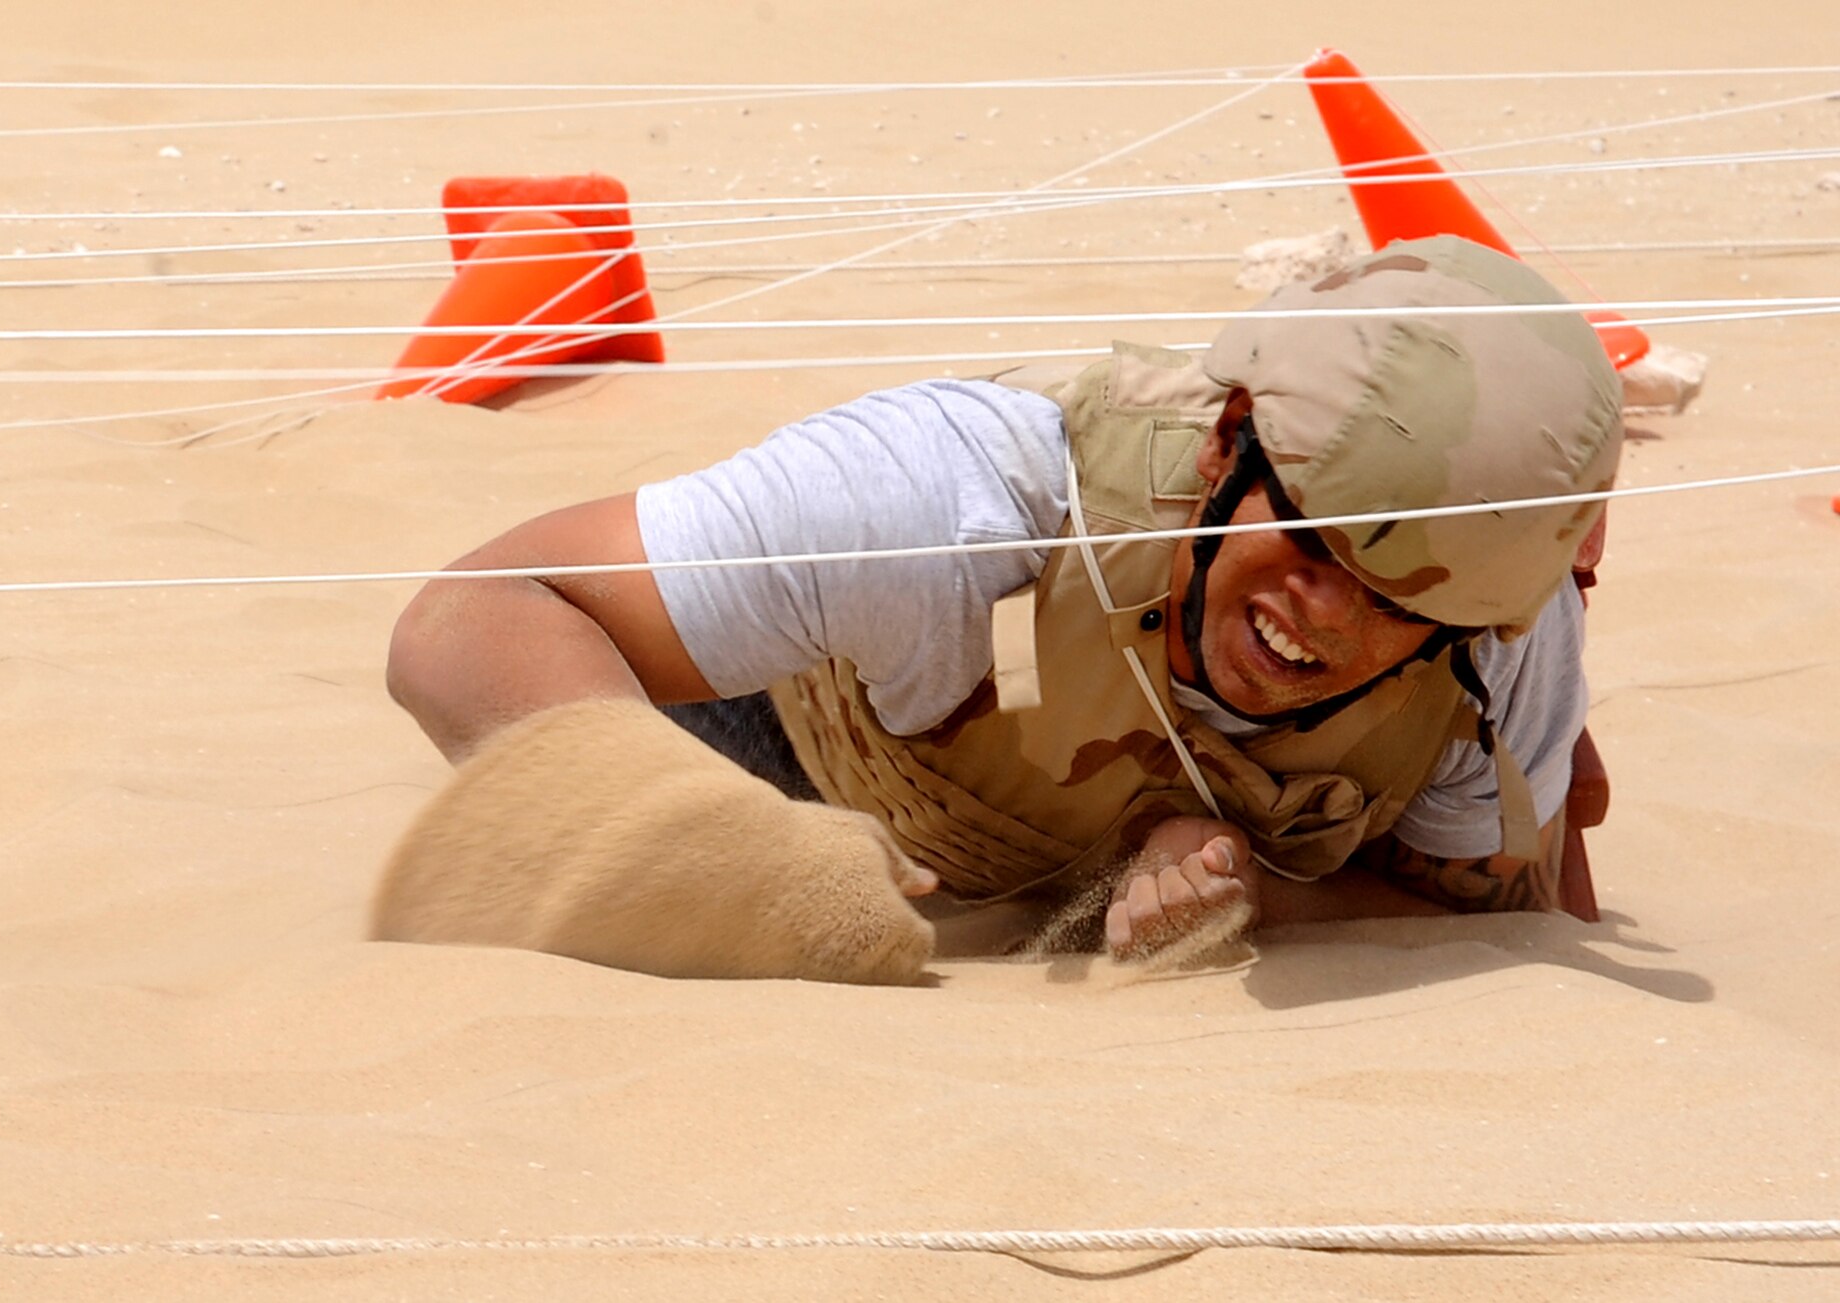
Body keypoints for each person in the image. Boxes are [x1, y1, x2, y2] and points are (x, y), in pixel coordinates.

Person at [373, 236, 1622, 984]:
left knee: (1563, 838)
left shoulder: (1493, 631)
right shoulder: (958, 495)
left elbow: (1497, 928)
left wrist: (1259, 893)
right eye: (1304, 535)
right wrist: (728, 857)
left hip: (1168, 836)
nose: (1326, 616)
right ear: (1227, 443)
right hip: (816, 748)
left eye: (1389, 595)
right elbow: (480, 612)